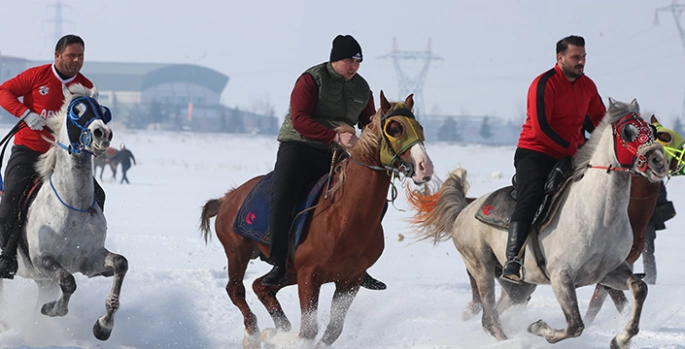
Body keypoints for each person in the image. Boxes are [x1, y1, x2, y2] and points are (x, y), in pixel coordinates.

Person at [261, 34, 386, 290]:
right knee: (283, 196)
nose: (354, 66)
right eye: (349, 61)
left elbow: (369, 123)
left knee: (372, 200)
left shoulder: (362, 88)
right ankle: (278, 262)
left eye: (358, 62)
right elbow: (299, 119)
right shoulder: (311, 79)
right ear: (336, 60)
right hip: (299, 146)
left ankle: (358, 265)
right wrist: (334, 135)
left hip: (337, 152)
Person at [501, 35, 607, 284]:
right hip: (536, 152)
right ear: (560, 58)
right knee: (532, 196)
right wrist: (573, 149)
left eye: (584, 57)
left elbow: (600, 122)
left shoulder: (588, 86)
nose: (581, 62)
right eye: (575, 57)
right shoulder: (543, 84)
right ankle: (513, 259)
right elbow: (540, 129)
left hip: (573, 154)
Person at [0, 34, 106, 279]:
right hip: (29, 151)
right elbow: (4, 91)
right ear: (57, 56)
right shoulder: (37, 76)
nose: (76, 60)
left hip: (64, 158)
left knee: (98, 194)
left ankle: (89, 250)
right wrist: (26, 114)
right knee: (11, 199)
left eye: (80, 56)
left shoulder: (85, 88)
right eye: (71, 55)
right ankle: (6, 256)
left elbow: (90, 123)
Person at [642, 182, 675, 285]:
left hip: (647, 220)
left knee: (648, 251)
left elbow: (661, 195)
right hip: (631, 220)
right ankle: (626, 280)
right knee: (628, 254)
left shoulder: (653, 179)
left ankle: (650, 281)